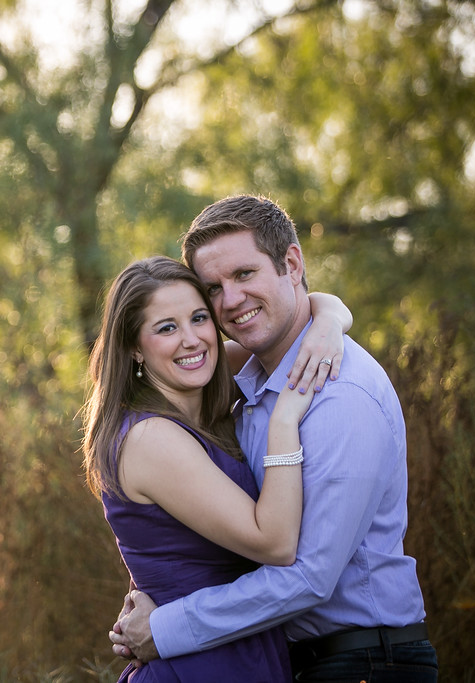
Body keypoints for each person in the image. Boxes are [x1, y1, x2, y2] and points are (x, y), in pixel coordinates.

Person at [109, 195, 438, 682]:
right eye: (213, 288)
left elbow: (308, 575)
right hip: (286, 659)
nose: (231, 301)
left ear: (291, 263)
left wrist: (166, 626)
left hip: (365, 662)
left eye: (245, 275)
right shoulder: (245, 381)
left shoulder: (340, 396)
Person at [82, 255, 348, 681]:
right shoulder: (150, 438)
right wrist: (284, 419)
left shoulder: (205, 381)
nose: (191, 339)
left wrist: (332, 320)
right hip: (196, 664)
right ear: (134, 346)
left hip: (234, 647)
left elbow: (305, 318)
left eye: (199, 318)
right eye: (166, 327)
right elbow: (276, 543)